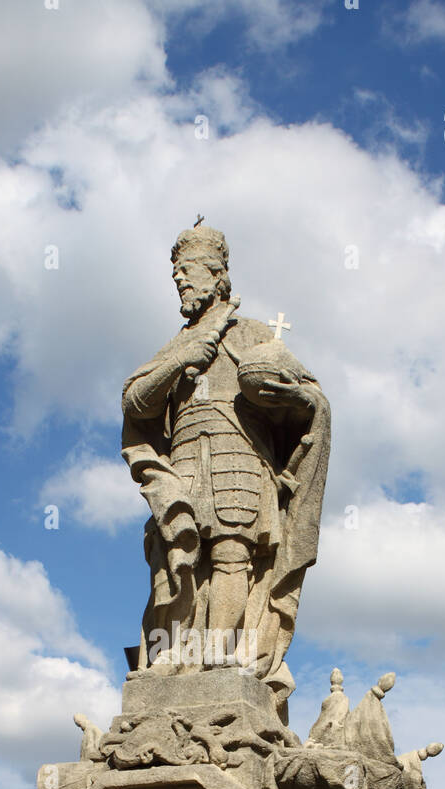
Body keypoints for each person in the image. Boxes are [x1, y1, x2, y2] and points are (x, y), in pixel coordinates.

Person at [121, 223, 330, 711]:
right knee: (177, 557)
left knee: (233, 552)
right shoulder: (178, 343)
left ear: (218, 275)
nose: (181, 283)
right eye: (176, 278)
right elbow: (135, 402)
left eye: (188, 274)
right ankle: (173, 653)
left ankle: (219, 659)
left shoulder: (254, 334)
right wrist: (182, 361)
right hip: (184, 462)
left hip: (241, 459)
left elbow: (313, 399)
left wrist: (296, 396)